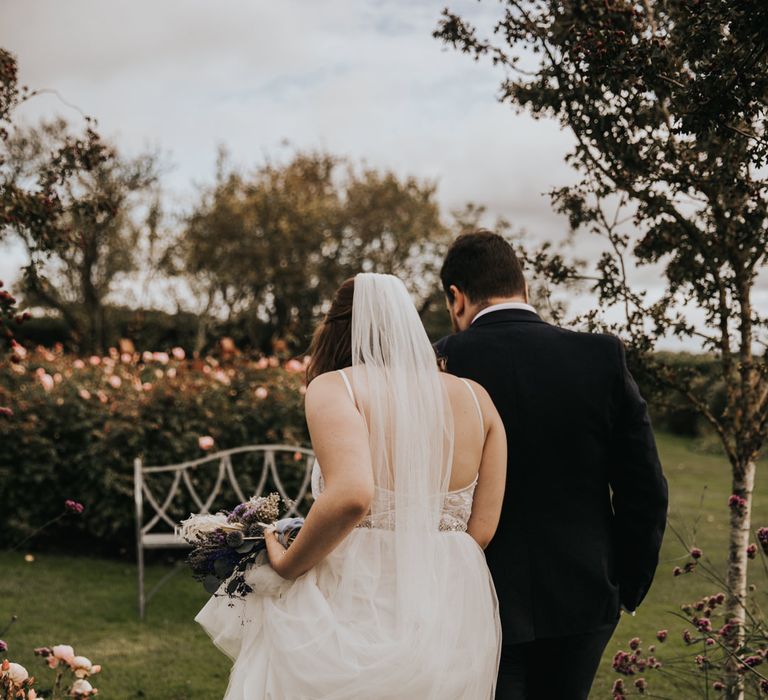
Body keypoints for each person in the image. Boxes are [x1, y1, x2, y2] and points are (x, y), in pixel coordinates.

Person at [196, 272, 507, 699]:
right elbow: (483, 528)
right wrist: (429, 571)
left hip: (356, 587)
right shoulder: (478, 399)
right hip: (449, 594)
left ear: (338, 326)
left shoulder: (336, 387)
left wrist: (288, 563)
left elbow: (352, 495)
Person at [435, 231, 668, 700]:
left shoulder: (437, 362)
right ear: (523, 286)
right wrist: (626, 585)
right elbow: (644, 486)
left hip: (475, 597)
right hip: (584, 595)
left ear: (456, 297)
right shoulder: (600, 355)